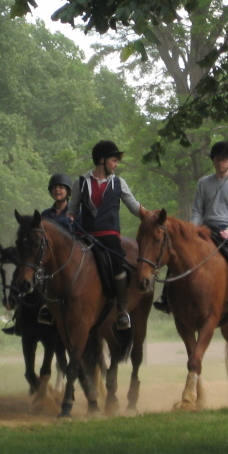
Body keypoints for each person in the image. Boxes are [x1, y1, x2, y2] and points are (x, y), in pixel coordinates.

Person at [156, 140, 228, 313]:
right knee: (178, 253)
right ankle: (166, 297)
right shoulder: (203, 183)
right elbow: (198, 209)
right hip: (205, 227)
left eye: (224, 159)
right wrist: (193, 228)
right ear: (213, 160)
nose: (220, 162)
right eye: (217, 159)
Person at [67, 140, 142, 329]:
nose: (116, 164)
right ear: (102, 160)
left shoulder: (119, 182)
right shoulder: (80, 182)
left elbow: (133, 206)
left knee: (118, 265)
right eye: (114, 160)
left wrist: (151, 216)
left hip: (109, 234)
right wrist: (69, 218)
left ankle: (122, 310)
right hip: (85, 234)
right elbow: (72, 209)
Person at [2, 173, 74, 335]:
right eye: (54, 188)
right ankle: (22, 318)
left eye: (61, 187)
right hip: (48, 260)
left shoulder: (74, 213)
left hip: (69, 259)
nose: (57, 190)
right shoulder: (44, 215)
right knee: (25, 277)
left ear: (68, 192)